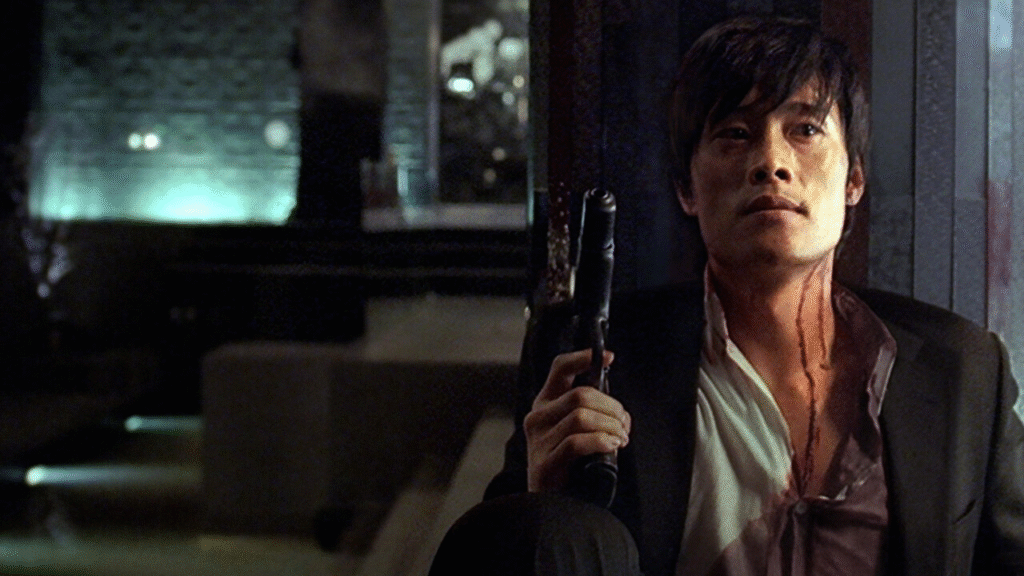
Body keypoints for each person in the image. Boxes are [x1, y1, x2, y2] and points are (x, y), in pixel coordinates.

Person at [430, 15, 1024, 576]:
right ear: (687, 190)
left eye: (806, 129)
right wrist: (545, 503)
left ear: (855, 180)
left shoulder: (962, 371)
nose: (771, 162)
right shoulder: (597, 358)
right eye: (735, 134)